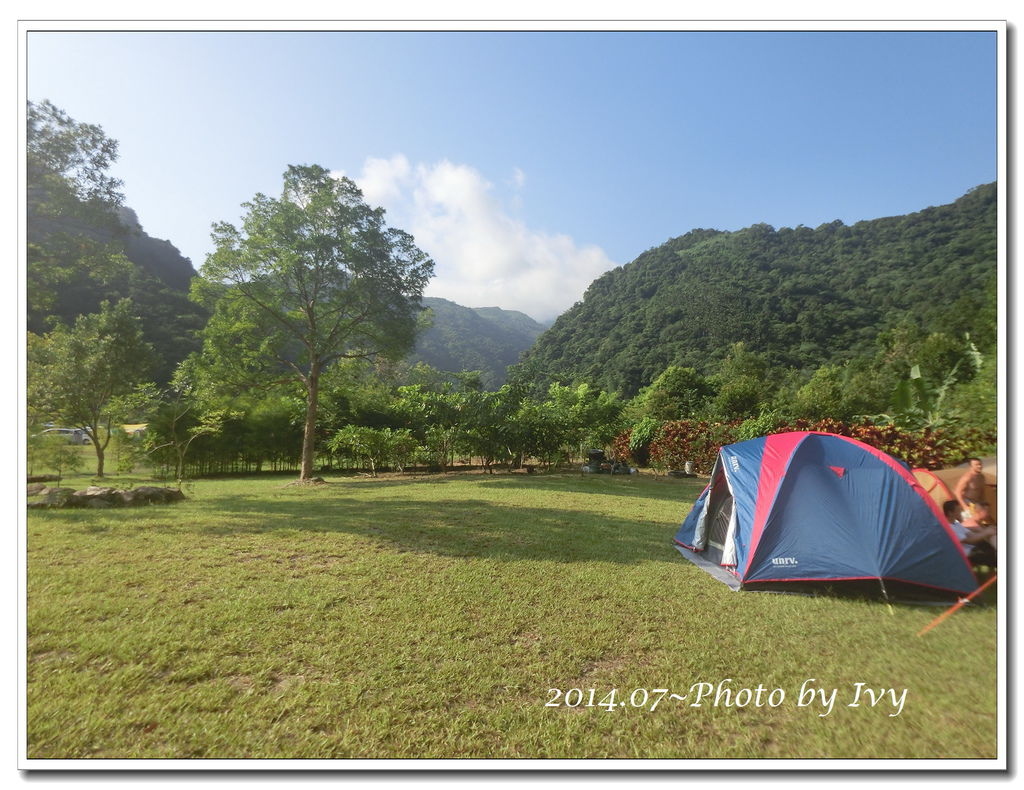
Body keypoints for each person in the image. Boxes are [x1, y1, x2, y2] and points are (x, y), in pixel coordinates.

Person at [943, 499, 997, 568]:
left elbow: (971, 535)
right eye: (958, 510)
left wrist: (988, 532)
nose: (960, 512)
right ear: (950, 513)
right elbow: (969, 540)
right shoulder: (949, 528)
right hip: (970, 555)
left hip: (975, 548)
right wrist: (986, 532)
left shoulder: (956, 524)